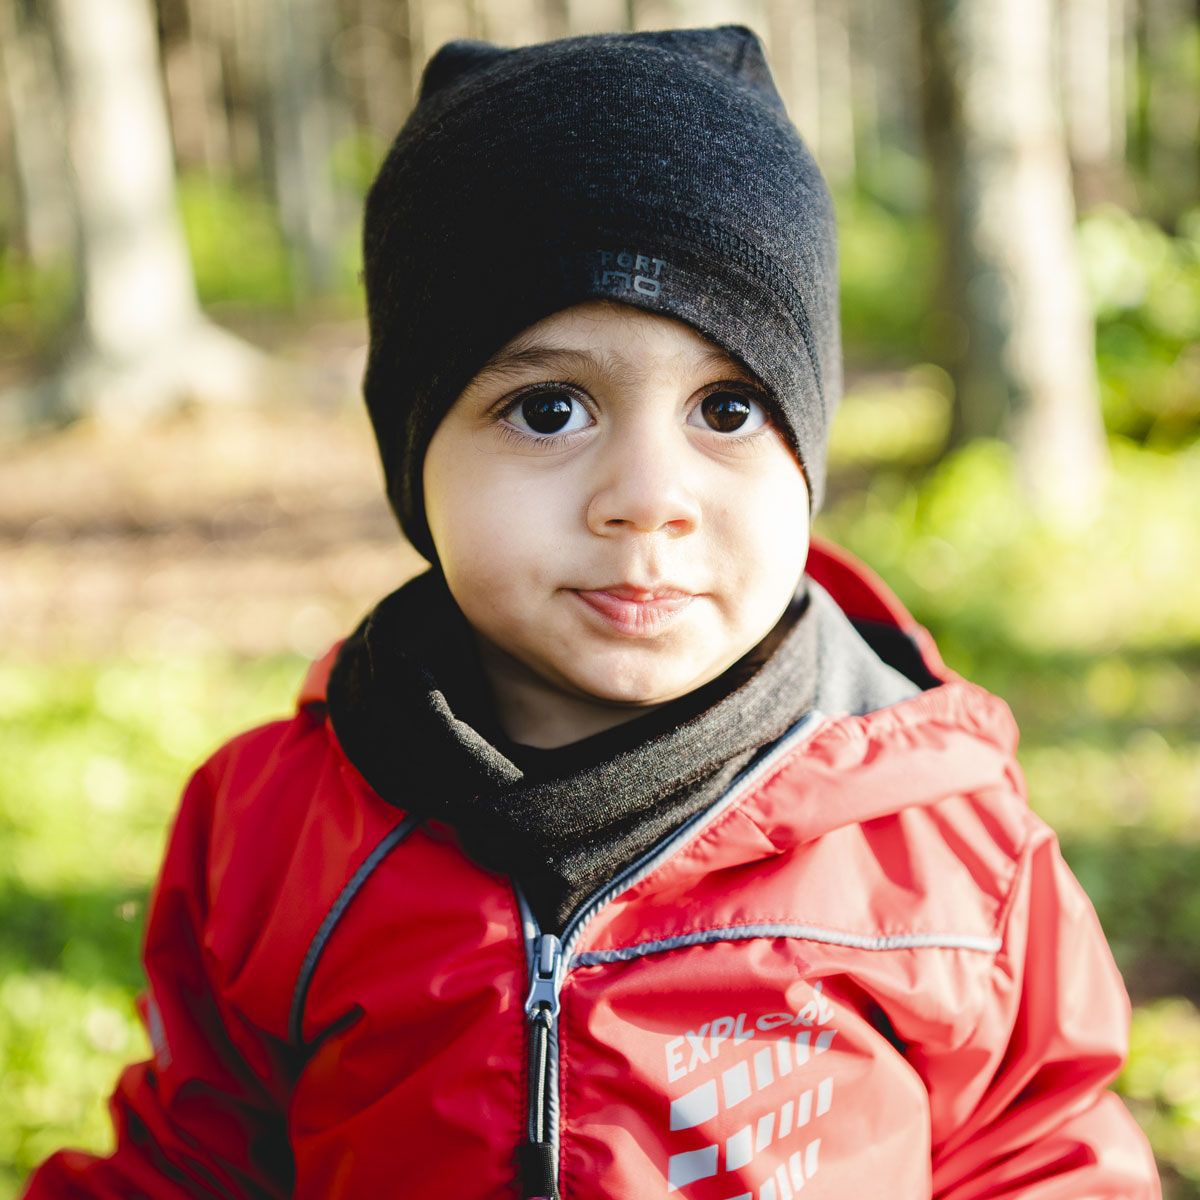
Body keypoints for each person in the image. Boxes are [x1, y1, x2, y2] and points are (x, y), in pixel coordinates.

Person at [22, 25, 1160, 1200]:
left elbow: (1041, 1152)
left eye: (728, 410)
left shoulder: (946, 851)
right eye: (551, 409)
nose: (648, 502)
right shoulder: (275, 831)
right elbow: (197, 1164)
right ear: (414, 454)